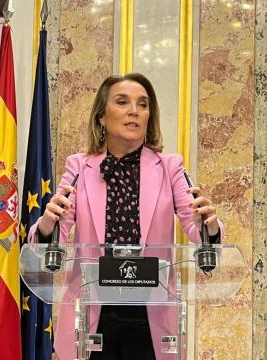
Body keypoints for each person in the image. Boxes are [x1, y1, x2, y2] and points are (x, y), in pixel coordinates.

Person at [28, 73, 223, 360]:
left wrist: (210, 225)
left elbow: (199, 232)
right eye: (122, 102)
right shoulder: (79, 166)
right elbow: (55, 230)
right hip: (92, 315)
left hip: (150, 316)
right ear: (102, 117)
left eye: (142, 104)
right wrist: (47, 226)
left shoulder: (170, 167)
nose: (134, 110)